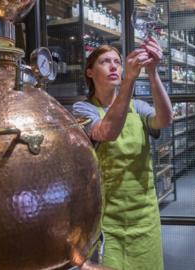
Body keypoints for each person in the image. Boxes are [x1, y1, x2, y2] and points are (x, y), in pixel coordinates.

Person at [72, 37, 173, 270]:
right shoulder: (83, 109)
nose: (113, 66)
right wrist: (129, 80)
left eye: (117, 62)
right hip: (108, 220)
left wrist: (152, 72)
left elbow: (165, 119)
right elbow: (106, 131)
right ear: (89, 72)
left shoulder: (137, 107)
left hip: (144, 214)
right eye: (105, 62)